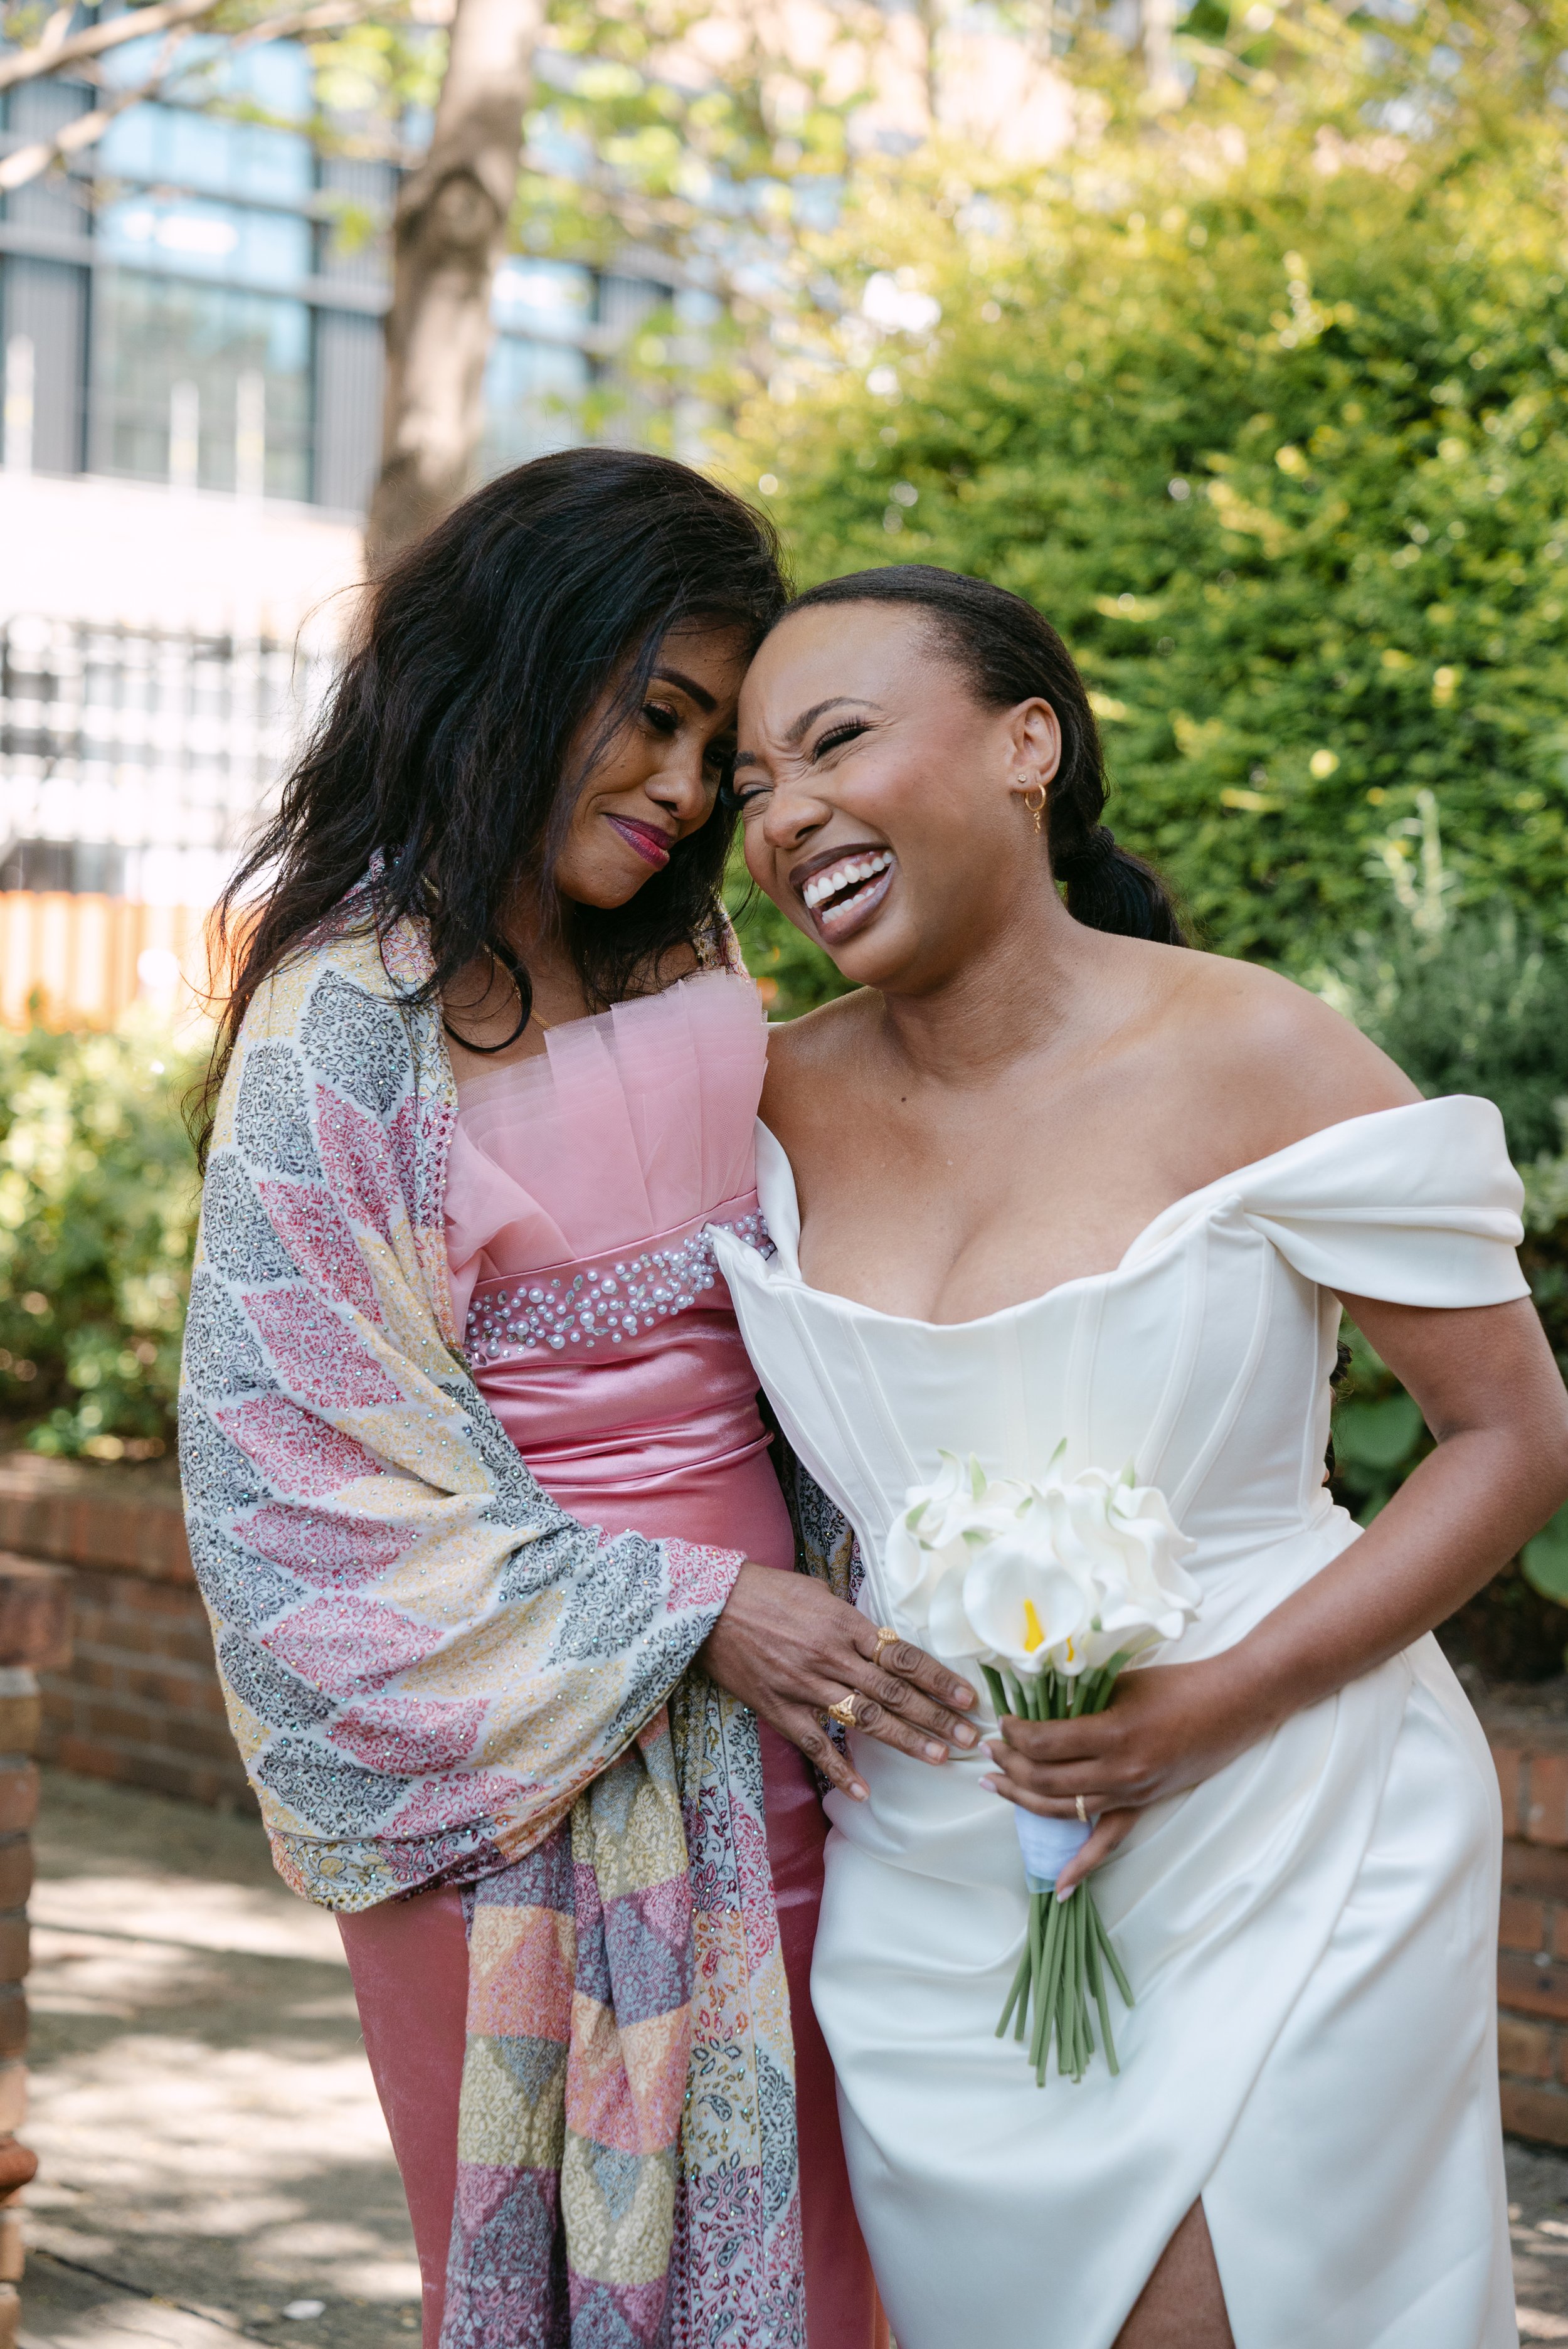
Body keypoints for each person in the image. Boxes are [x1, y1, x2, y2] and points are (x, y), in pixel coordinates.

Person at [705, 561, 1568, 2349]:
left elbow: (1507, 1436)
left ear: (1029, 740)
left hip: (1291, 1806)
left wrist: (1209, 1700)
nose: (784, 816)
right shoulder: (749, 1095)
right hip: (935, 1856)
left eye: (834, 743)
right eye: (747, 786)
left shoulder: (1254, 1048)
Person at [179, 459, 977, 2349]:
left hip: (807, 1718)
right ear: (520, 667)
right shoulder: (347, 1017)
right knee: (556, 2277)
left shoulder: (683, 946)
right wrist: (696, 1611)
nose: (690, 790)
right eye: (659, 715)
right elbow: (286, 1478)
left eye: (718, 745)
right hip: (518, 1763)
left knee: (834, 2254)